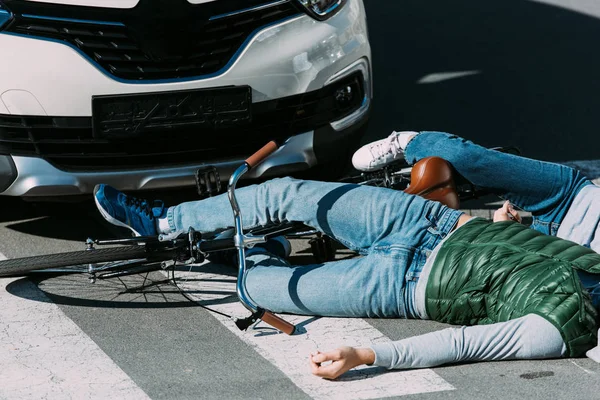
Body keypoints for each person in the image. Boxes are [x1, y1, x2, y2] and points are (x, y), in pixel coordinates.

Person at [92, 133, 600, 380]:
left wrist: (367, 355)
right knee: (286, 192)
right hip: (430, 223)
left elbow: (464, 344)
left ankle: (249, 251)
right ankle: (162, 220)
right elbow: (548, 220)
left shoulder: (563, 330)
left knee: (258, 289)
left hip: (402, 287)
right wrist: (499, 222)